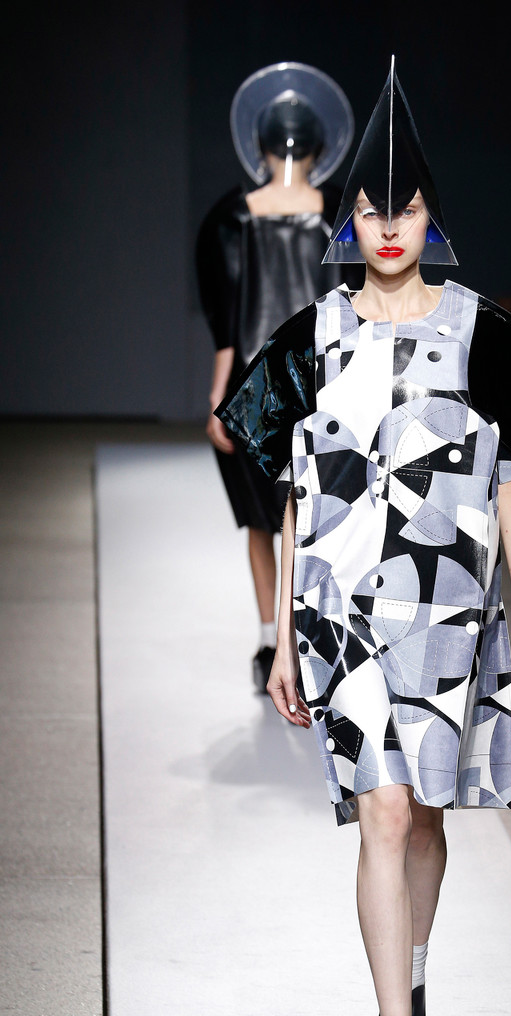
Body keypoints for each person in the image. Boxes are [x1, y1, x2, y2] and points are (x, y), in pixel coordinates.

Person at [216, 60, 511, 1016]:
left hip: (448, 610)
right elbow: (296, 489)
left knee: (426, 815)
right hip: (341, 612)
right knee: (382, 813)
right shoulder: (311, 337)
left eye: (409, 208)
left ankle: (409, 979)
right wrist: (281, 637)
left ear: (432, 220)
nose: (389, 227)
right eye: (374, 210)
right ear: (352, 219)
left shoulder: (482, 333)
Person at [196, 62, 354, 690]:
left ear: (258, 145)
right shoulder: (343, 214)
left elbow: (226, 321)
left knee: (264, 521)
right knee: (321, 518)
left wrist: (219, 395)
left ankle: (271, 642)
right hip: (328, 385)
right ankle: (315, 643)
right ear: (321, 146)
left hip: (254, 392)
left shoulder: (231, 216)